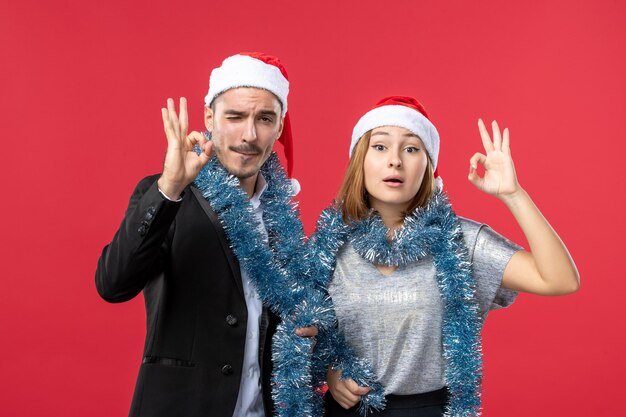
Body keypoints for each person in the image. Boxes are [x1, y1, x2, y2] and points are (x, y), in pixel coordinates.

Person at [308, 96, 580, 417]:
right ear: (359, 161)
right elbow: (301, 335)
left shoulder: (461, 240)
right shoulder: (327, 245)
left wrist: (514, 195)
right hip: (347, 410)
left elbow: (560, 279)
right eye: (380, 147)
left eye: (411, 148)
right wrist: (330, 370)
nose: (395, 160)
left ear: (429, 165)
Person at [95, 52, 316, 417]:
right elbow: (112, 284)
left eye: (264, 119)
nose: (249, 134)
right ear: (210, 118)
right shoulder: (168, 194)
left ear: (279, 128)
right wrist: (170, 187)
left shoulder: (284, 219)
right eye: (235, 117)